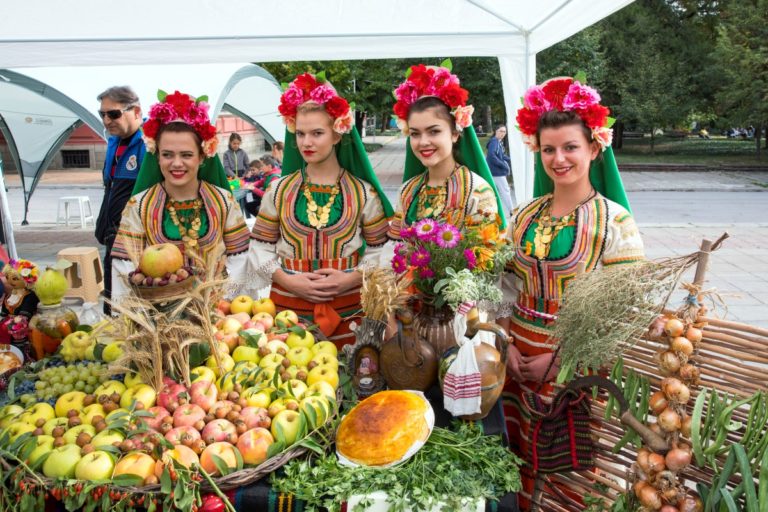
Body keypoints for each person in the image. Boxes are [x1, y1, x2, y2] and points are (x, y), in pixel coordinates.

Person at [498, 76, 645, 510]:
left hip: (574, 367)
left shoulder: (615, 223)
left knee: (569, 472)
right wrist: (502, 340)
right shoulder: (522, 216)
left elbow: (622, 313)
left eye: (570, 147)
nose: (558, 159)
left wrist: (561, 360)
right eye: (548, 149)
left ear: (595, 148)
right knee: (515, 457)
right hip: (515, 361)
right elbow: (503, 286)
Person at [249, 72, 393, 348]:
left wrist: (351, 278)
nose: (306, 143)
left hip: (349, 311)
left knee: (352, 378)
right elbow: (260, 247)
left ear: (337, 134)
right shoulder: (279, 191)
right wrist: (288, 281)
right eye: (301, 134)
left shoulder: (363, 193)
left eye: (317, 133)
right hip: (287, 314)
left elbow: (381, 250)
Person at [110, 90, 250, 305]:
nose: (176, 164)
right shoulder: (139, 206)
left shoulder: (223, 202)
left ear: (202, 156)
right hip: (158, 319)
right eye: (167, 155)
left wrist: (225, 305)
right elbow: (124, 266)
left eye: (186, 155)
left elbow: (240, 259)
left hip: (218, 316)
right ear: (156, 156)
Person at [387, 63, 504, 243]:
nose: (423, 142)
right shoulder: (408, 191)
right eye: (415, 134)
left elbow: (485, 259)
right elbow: (393, 249)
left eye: (434, 131)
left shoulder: (477, 192)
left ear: (455, 134)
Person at [93, 86, 145, 315]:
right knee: (112, 297)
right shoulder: (114, 141)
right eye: (102, 114)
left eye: (113, 114)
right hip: (111, 233)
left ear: (135, 111)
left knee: (128, 301)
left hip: (134, 240)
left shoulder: (148, 144)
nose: (106, 120)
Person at [486, 124, 516, 219]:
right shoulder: (494, 142)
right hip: (496, 172)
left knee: (495, 192)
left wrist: (511, 160)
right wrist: (503, 165)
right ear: (496, 131)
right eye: (501, 131)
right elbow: (491, 155)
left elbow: (501, 155)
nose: (503, 133)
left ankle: (493, 213)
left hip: (495, 171)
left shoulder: (498, 142)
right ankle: (512, 211)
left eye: (504, 132)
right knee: (505, 191)